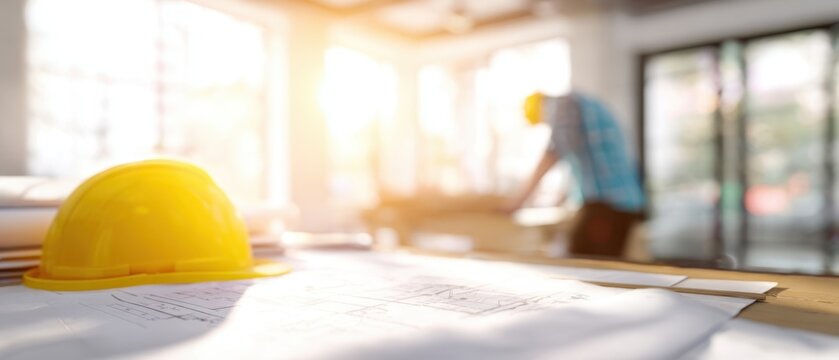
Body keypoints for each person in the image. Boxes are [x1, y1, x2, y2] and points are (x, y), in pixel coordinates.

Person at [502, 92, 645, 257]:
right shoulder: (584, 106)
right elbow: (583, 160)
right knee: (596, 265)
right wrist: (562, 197)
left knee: (587, 265)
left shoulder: (565, 104)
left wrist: (518, 200)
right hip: (616, 202)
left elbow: (554, 151)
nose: (549, 124)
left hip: (608, 204)